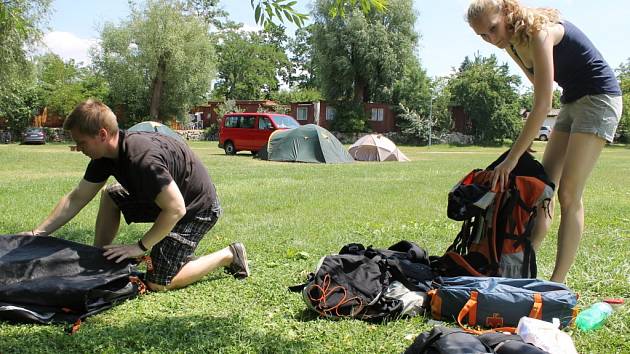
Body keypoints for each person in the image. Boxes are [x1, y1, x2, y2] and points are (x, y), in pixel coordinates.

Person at [20, 99, 250, 291]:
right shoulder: (104, 156)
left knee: (157, 282)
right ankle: (99, 256)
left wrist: (139, 247)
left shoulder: (142, 159)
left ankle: (230, 254)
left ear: (102, 134)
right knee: (111, 195)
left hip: (196, 209)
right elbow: (77, 197)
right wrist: (36, 233)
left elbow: (176, 209)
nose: (79, 149)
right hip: (166, 201)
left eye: (81, 143)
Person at [467, 0, 622, 283]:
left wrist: (511, 158)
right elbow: (538, 85)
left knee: (569, 195)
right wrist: (522, 143)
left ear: (507, 11)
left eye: (492, 28)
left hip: (599, 99)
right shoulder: (511, 44)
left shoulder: (540, 33)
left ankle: (556, 284)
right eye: (482, 36)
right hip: (572, 100)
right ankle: (522, 270)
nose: (490, 39)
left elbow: (542, 104)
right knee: (542, 190)